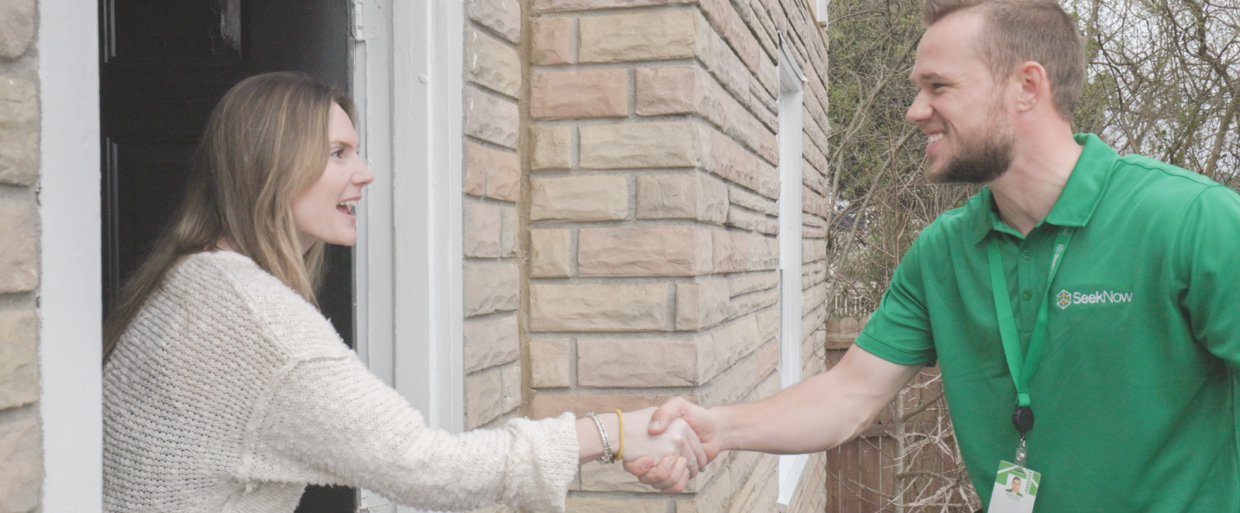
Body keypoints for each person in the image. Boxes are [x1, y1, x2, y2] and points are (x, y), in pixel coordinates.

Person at [629, 0, 1240, 511]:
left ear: (1027, 87)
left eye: (938, 87)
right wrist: (722, 429)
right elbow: (849, 395)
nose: (914, 111)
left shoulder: (1191, 220)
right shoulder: (943, 250)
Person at [102, 72, 705, 513]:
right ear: (267, 166)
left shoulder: (191, 277)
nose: (363, 172)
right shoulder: (261, 325)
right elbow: (430, 469)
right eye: (338, 153)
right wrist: (615, 432)